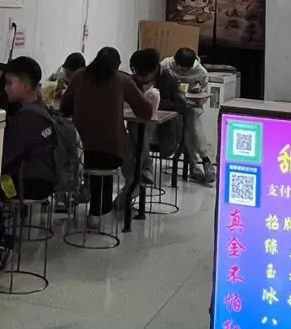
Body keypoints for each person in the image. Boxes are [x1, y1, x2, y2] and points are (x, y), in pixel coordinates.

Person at [61, 46, 151, 223]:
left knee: (93, 158)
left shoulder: (79, 76)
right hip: (111, 154)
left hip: (79, 152)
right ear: (116, 65)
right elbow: (145, 111)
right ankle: (98, 213)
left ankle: (85, 195)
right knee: (113, 155)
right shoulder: (122, 80)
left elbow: (65, 107)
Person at [0, 56, 57, 273]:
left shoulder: (26, 119)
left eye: (9, 83)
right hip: (43, 180)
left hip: (27, 184)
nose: (5, 88)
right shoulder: (40, 109)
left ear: (24, 85)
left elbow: (4, 157)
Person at [129, 48, 187, 178]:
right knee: (133, 127)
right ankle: (143, 169)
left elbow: (182, 106)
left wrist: (155, 102)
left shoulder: (169, 78)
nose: (141, 78)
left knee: (143, 125)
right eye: (137, 73)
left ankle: (143, 168)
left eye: (144, 75)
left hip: (163, 131)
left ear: (155, 69)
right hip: (137, 130)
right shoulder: (133, 80)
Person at [162, 47, 216, 185]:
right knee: (189, 124)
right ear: (175, 62)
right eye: (180, 69)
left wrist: (196, 92)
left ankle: (195, 164)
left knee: (189, 123)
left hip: (190, 107)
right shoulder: (166, 65)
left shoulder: (201, 72)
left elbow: (202, 99)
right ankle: (204, 161)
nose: (183, 72)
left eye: (186, 70)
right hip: (170, 106)